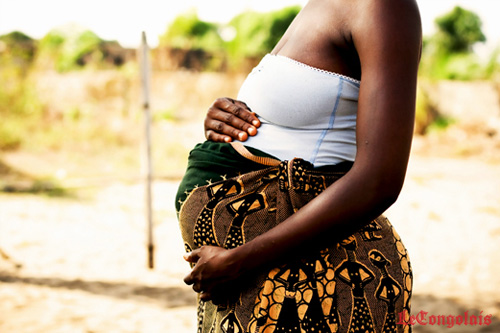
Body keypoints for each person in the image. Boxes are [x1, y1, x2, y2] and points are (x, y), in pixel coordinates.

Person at [176, 0, 421, 332]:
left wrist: (239, 261)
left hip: (311, 278)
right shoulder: (317, 6)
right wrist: (224, 120)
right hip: (260, 278)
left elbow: (380, 180)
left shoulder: (384, 7)